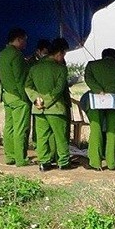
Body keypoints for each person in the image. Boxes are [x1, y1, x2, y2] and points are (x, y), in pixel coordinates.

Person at [25, 38, 72, 171]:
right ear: (59, 53)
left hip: (38, 109)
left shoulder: (34, 67)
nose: (63, 57)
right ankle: (63, 162)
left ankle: (44, 162)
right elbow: (58, 89)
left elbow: (27, 86)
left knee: (42, 137)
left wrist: (37, 100)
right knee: (60, 136)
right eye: (63, 54)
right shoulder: (61, 69)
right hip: (56, 108)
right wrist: (47, 101)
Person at [84, 48, 115, 171]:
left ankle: (95, 163)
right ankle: (111, 163)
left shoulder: (92, 65)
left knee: (96, 129)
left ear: (103, 56)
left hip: (95, 101)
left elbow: (88, 79)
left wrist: (99, 90)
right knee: (112, 131)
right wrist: (109, 91)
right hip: (114, 102)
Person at [0, 28, 31, 166]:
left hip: (6, 95)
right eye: (24, 40)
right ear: (18, 39)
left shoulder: (2, 54)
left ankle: (9, 156)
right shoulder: (17, 55)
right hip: (18, 97)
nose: (25, 44)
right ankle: (21, 159)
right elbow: (20, 79)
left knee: (9, 127)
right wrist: (26, 98)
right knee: (21, 128)